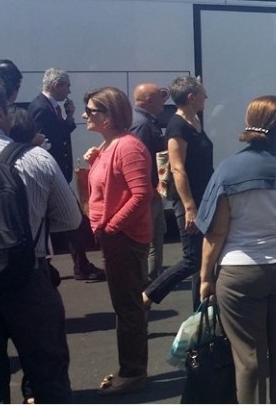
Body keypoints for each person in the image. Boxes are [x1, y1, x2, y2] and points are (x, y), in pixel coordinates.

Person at [197, 95, 276, 404]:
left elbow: (216, 233)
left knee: (249, 358)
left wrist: (205, 277)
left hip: (240, 273)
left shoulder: (228, 170)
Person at [0, 81, 81, 404]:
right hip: (28, 275)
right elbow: (71, 218)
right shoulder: (36, 158)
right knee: (48, 374)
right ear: (0, 113)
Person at [82, 86, 153, 396]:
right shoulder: (110, 146)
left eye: (91, 110)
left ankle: (133, 372)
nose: (84, 115)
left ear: (108, 116)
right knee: (124, 306)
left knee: (128, 308)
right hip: (115, 237)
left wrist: (112, 227)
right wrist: (96, 159)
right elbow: (109, 187)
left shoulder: (128, 147)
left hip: (123, 238)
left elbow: (142, 194)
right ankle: (130, 368)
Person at [28, 68, 106, 281]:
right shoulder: (40, 108)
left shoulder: (50, 107)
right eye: (67, 86)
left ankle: (78, 266)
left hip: (56, 173)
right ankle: (76, 267)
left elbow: (59, 133)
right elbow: (42, 141)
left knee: (65, 221)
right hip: (50, 175)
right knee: (73, 219)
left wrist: (69, 116)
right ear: (57, 86)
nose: (69, 91)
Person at [143, 75, 213, 311]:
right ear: (191, 98)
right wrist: (189, 207)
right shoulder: (177, 126)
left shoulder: (194, 121)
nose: (206, 96)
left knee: (203, 258)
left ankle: (200, 310)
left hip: (203, 198)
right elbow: (177, 168)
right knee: (192, 258)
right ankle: (147, 297)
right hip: (189, 201)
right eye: (202, 93)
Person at [128, 83, 168, 283]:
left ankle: (152, 278)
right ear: (149, 101)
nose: (164, 101)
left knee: (157, 233)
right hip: (150, 191)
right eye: (161, 97)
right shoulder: (142, 124)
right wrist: (149, 188)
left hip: (153, 189)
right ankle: (148, 281)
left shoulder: (144, 120)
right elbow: (138, 161)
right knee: (150, 237)